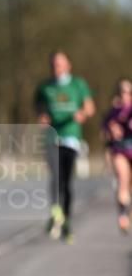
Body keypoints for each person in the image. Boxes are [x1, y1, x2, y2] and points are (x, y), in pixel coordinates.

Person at [34, 50, 95, 243]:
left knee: (66, 181)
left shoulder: (78, 84)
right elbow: (39, 106)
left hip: (70, 137)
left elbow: (89, 107)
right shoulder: (44, 86)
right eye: (53, 64)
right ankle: (55, 211)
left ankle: (66, 219)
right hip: (52, 136)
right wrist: (41, 116)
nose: (56, 67)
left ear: (68, 65)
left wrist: (82, 114)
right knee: (55, 175)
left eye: (60, 64)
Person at [101, 77, 132, 233]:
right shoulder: (112, 112)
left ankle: (128, 212)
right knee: (123, 179)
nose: (124, 95)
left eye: (128, 91)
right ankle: (122, 215)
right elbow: (104, 133)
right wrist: (111, 132)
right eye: (122, 91)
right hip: (120, 150)